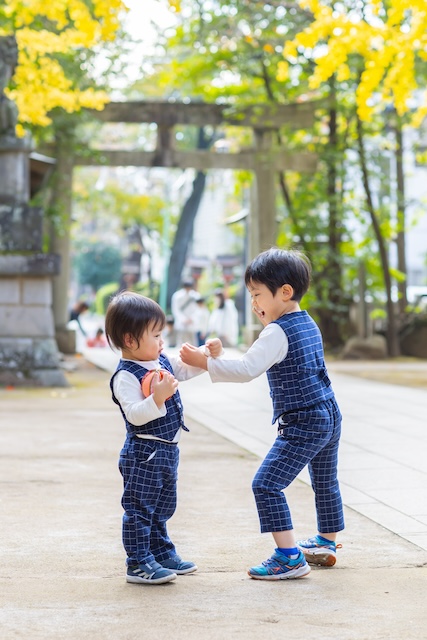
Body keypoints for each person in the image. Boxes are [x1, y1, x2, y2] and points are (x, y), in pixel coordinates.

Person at [180, 248, 344, 581]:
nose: (254, 303)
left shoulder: (276, 332)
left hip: (303, 421)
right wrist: (268, 322)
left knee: (266, 485)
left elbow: (246, 368)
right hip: (329, 411)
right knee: (325, 480)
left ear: (284, 292)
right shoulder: (307, 322)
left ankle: (288, 556)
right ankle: (326, 542)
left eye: (257, 294)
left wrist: (204, 363)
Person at [104, 291, 221, 585]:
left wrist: (207, 355)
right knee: (140, 509)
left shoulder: (161, 361)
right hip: (143, 452)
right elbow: (134, 414)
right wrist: (157, 398)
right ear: (130, 340)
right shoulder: (125, 376)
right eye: (155, 335)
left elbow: (186, 369)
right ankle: (139, 562)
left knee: (164, 506)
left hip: (168, 450)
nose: (161, 342)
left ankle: (160, 552)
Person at [171, 279, 199, 345]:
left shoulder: (195, 296)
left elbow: (197, 309)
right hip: (181, 323)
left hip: (192, 323)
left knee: (193, 343)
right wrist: (183, 319)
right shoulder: (177, 296)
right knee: (181, 342)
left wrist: (192, 318)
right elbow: (175, 310)